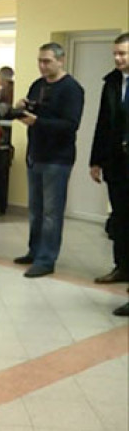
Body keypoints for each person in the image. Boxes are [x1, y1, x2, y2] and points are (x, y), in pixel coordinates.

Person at [13, 42, 85, 278]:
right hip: (35, 154)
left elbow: (70, 125)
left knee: (51, 213)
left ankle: (46, 259)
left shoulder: (71, 89)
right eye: (40, 61)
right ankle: (34, 251)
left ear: (60, 61)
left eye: (47, 61)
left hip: (57, 158)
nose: (42, 66)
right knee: (35, 210)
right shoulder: (38, 85)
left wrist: (37, 122)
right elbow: (35, 110)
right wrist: (21, 108)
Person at [90, 33, 129, 296]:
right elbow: (103, 123)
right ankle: (122, 267)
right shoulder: (112, 82)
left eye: (123, 54)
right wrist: (96, 160)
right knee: (120, 218)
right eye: (115, 53)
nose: (117, 58)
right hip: (117, 163)